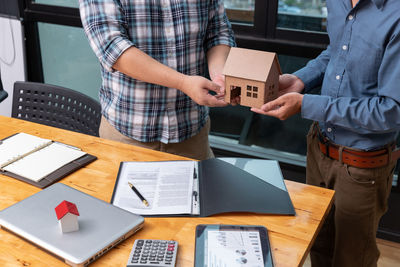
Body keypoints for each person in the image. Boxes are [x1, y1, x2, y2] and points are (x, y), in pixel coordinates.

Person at [252, 0, 400, 266]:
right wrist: (301, 79)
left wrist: (306, 104)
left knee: (352, 258)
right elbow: (336, 51)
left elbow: (390, 111)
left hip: (362, 167)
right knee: (317, 245)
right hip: (319, 147)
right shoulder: (338, 2)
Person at [79, 0, 235, 160]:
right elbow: (113, 47)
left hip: (193, 134)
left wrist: (219, 76)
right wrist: (183, 83)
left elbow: (218, 33)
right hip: (128, 137)